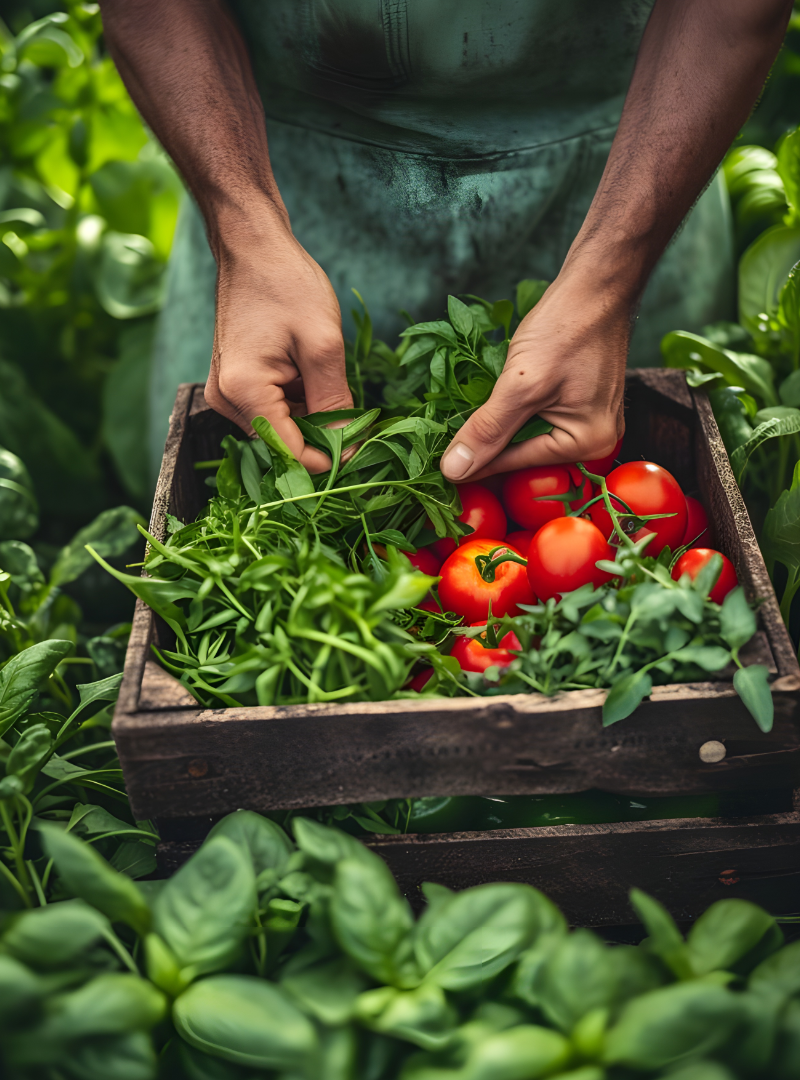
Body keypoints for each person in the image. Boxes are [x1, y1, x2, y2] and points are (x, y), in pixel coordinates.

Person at [100, 0, 793, 483]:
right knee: (237, 476)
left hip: (626, 160)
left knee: (632, 502)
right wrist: (244, 228)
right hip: (273, 157)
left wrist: (610, 281)